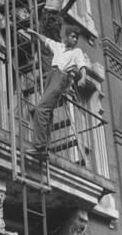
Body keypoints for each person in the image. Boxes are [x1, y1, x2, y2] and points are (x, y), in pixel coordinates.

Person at [25, 25, 87, 157]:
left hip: (61, 76)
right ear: (67, 36)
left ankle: (40, 147)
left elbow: (82, 66)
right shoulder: (59, 46)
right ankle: (45, 146)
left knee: (41, 109)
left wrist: (83, 78)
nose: (75, 40)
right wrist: (34, 33)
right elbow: (46, 40)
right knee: (47, 111)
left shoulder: (77, 52)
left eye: (77, 38)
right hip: (51, 75)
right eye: (73, 36)